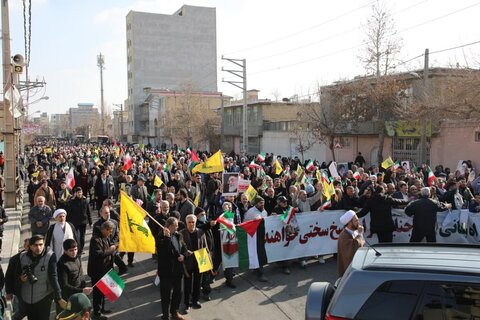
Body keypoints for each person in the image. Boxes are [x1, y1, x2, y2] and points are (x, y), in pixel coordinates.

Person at [17, 234, 67, 320]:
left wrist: (59, 297)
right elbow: (14, 275)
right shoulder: (22, 257)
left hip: (44, 297)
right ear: (30, 246)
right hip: (28, 298)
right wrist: (20, 279)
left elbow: (53, 276)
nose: (38, 248)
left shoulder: (50, 256)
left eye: (41, 244)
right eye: (35, 245)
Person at [156, 217, 187, 320]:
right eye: (175, 226)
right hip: (166, 271)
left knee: (178, 292)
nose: (177, 228)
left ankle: (175, 312)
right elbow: (164, 252)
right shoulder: (160, 237)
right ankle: (165, 315)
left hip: (178, 270)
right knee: (166, 295)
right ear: (169, 226)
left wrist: (184, 255)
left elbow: (184, 248)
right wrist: (167, 237)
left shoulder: (179, 235)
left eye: (177, 225)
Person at [179, 214, 209, 314]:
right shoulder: (181, 234)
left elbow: (205, 246)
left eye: (193, 222)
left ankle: (195, 300)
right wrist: (185, 252)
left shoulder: (201, 232)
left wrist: (208, 259)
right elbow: (178, 249)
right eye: (189, 222)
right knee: (187, 284)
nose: (191, 224)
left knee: (197, 283)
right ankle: (187, 304)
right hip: (187, 264)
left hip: (199, 262)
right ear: (186, 223)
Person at [87, 221, 117, 320]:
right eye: (110, 231)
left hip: (105, 269)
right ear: (104, 229)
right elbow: (99, 254)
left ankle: (102, 309)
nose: (111, 233)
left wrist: (114, 245)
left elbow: (109, 245)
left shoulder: (105, 236)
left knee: (103, 290)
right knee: (97, 293)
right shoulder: (95, 239)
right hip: (97, 270)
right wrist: (111, 249)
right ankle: (96, 313)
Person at [57, 239, 93, 314]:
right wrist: (81, 290)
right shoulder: (62, 264)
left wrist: (83, 288)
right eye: (71, 250)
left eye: (75, 249)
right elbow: (64, 286)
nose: (74, 252)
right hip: (69, 298)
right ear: (65, 251)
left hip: (80, 294)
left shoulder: (77, 257)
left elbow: (80, 274)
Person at [243, 196, 268, 282]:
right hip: (253, 236)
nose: (262, 205)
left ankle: (256, 269)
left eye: (263, 203)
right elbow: (245, 223)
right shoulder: (250, 212)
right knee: (258, 254)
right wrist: (254, 221)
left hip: (262, 236)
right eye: (261, 203)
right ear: (256, 204)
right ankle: (260, 274)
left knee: (261, 254)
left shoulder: (264, 211)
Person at [6, 238, 30, 320]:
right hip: (19, 291)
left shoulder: (40, 258)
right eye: (28, 246)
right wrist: (9, 291)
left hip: (35, 292)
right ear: (24, 246)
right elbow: (9, 276)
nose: (30, 248)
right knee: (20, 312)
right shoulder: (15, 259)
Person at [337, 210, 364, 277]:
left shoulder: (354, 231)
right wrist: (360, 234)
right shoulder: (344, 236)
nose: (358, 223)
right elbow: (355, 247)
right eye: (356, 221)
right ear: (349, 223)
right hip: (349, 274)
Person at [67, 186, 93, 253]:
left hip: (83, 222)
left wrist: (90, 222)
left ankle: (81, 249)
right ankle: (77, 249)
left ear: (82, 192)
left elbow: (88, 212)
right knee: (76, 236)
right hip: (75, 222)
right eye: (78, 192)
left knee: (82, 237)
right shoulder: (72, 201)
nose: (79, 194)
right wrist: (68, 222)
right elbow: (69, 212)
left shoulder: (85, 200)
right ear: (75, 193)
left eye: (80, 192)